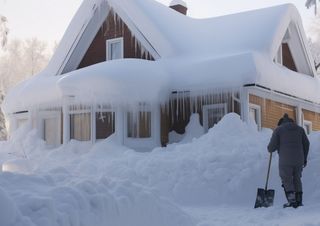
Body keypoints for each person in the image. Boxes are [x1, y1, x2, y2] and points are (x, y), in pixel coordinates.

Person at [268, 113, 309, 208]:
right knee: (297, 179)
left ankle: (292, 201)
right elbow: (306, 144)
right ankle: (299, 201)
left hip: (285, 160)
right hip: (299, 159)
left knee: (287, 179)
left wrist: (270, 147)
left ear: (281, 123)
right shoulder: (300, 129)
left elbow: (271, 148)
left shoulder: (278, 130)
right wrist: (305, 158)